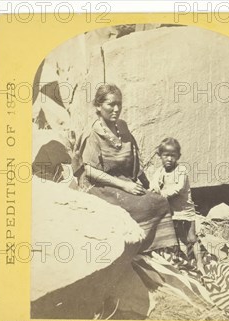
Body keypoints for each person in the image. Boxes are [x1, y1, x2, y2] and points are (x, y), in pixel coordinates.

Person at [74, 84, 177, 253]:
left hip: (124, 181)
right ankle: (138, 249)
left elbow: (135, 158)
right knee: (144, 206)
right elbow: (90, 171)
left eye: (119, 104)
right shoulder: (92, 134)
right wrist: (124, 186)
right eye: (111, 104)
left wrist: (148, 183)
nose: (116, 109)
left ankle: (162, 249)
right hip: (100, 187)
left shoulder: (122, 127)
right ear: (99, 106)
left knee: (159, 200)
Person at [151, 137, 205, 274]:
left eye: (173, 156)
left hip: (185, 211)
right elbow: (153, 186)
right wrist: (154, 189)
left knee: (191, 238)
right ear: (160, 156)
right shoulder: (159, 172)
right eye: (166, 155)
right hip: (171, 211)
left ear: (178, 156)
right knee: (172, 238)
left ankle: (200, 265)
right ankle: (178, 263)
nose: (169, 159)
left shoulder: (181, 170)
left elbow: (178, 188)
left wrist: (161, 193)